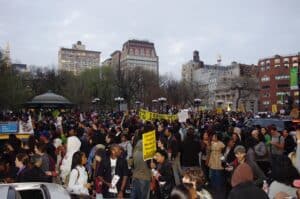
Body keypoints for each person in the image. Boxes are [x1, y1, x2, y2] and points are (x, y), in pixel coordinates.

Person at [131, 131, 152, 199]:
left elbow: (132, 164)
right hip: (145, 177)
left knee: (135, 195)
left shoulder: (135, 151)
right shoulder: (148, 152)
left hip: (135, 176)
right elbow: (150, 165)